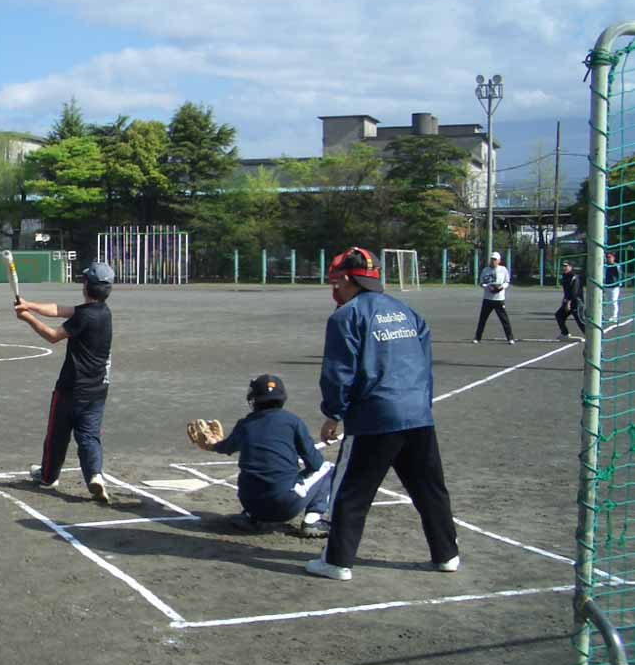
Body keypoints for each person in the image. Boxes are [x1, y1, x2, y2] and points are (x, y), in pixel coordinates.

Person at [308, 247, 459, 581]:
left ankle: (337, 561)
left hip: (376, 417)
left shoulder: (346, 316)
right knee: (430, 489)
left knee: (352, 491)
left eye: (336, 282)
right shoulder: (407, 312)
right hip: (417, 413)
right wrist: (422, 403)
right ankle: (446, 554)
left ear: (348, 279)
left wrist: (333, 413)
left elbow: (339, 371)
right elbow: (424, 365)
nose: (334, 289)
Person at [16, 262, 115, 504]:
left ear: (87, 286)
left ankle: (49, 476)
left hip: (71, 388)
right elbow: (59, 309)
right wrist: (29, 305)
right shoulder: (103, 312)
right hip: (97, 389)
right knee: (89, 436)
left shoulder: (83, 316)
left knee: (56, 436)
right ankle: (95, 476)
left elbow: (52, 336)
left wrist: (27, 318)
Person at [193, 375, 331, 537]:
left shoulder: (244, 424)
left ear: (254, 399)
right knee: (327, 468)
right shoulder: (293, 422)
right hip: (285, 506)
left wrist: (213, 445)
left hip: (250, 503)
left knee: (256, 477)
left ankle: (252, 518)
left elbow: (226, 447)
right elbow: (315, 463)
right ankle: (312, 521)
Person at [473, 251, 515, 344]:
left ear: (499, 260)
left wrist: (501, 287)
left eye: (495, 260)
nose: (493, 261)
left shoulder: (503, 270)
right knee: (482, 319)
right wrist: (487, 287)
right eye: (492, 259)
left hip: (499, 299)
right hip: (487, 299)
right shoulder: (485, 270)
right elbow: (481, 283)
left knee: (504, 319)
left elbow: (507, 282)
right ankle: (477, 337)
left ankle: (510, 338)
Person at [556, 260, 585, 340]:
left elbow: (574, 291)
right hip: (568, 301)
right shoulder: (565, 276)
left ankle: (591, 336)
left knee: (580, 321)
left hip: (577, 302)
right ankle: (565, 333)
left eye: (566, 266)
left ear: (571, 267)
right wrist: (565, 301)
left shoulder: (574, 277)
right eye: (563, 266)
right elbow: (566, 291)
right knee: (559, 315)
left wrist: (568, 302)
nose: (564, 268)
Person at [605, 252, 622, 324]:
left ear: (613, 258)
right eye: (607, 257)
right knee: (606, 301)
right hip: (607, 285)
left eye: (610, 257)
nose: (608, 259)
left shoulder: (616, 266)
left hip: (614, 286)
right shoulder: (605, 266)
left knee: (613, 301)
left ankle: (614, 316)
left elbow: (620, 275)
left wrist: (619, 283)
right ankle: (606, 315)